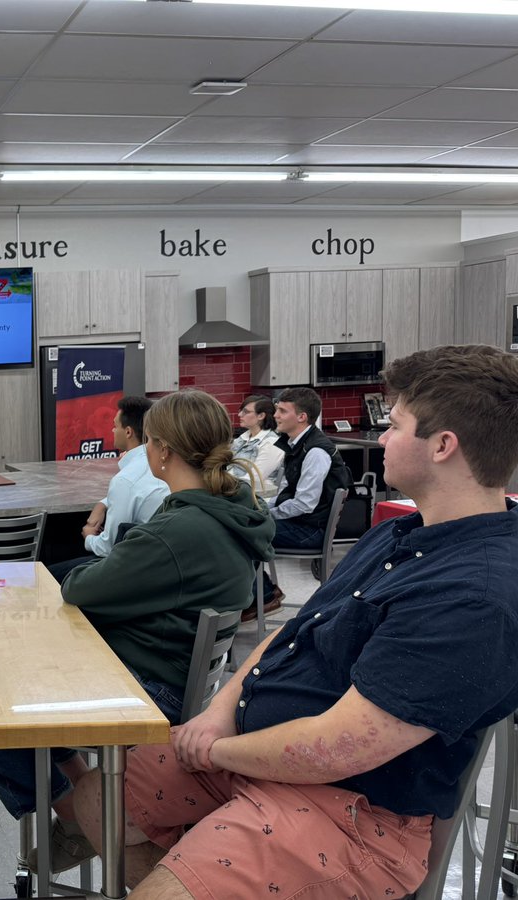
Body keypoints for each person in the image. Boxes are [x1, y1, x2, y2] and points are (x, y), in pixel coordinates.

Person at [69, 344, 518, 900]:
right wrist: (220, 713)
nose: (381, 438)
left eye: (396, 426)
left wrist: (213, 749)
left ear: (444, 446)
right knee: (98, 798)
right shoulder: (398, 535)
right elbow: (294, 632)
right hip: (260, 756)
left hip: (349, 810)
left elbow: (342, 747)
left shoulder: (472, 596)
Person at [0, 390, 275, 873]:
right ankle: (81, 794)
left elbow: (81, 588)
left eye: (148, 442)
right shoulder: (232, 510)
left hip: (147, 690)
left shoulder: (179, 531)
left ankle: (78, 816)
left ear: (163, 450)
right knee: (23, 682)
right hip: (177, 678)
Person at [251, 386, 351, 619]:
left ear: (301, 417)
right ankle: (261, 595)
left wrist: (265, 513)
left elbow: (304, 504)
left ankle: (263, 597)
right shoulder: (298, 444)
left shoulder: (315, 451)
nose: (276, 415)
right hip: (304, 524)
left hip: (311, 531)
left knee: (244, 532)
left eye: (282, 411)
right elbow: (287, 493)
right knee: (245, 524)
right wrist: (261, 507)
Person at [47, 396, 169, 583]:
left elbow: (108, 548)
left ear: (128, 432)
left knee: (46, 575)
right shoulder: (161, 465)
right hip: (157, 563)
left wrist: (89, 537)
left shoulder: (125, 480)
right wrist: (103, 503)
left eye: (115, 426)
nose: (112, 430)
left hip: (130, 571)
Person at [229, 394, 284, 498]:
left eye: (246, 412)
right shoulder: (243, 438)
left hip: (254, 498)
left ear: (261, 416)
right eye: (241, 410)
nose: (240, 414)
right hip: (233, 491)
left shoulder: (272, 443)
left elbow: (254, 478)